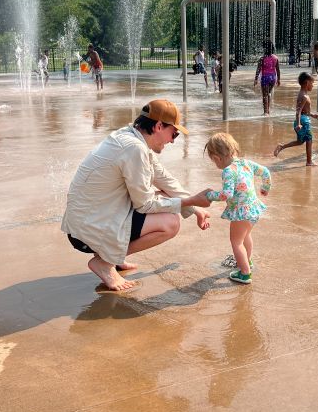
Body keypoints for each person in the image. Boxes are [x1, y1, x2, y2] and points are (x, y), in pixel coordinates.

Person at [62, 99, 212, 291]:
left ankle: (114, 256)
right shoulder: (135, 148)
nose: (173, 140)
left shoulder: (131, 137)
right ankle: (105, 262)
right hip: (87, 232)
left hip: (88, 221)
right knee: (171, 223)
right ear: (159, 126)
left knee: (164, 196)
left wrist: (195, 208)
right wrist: (191, 200)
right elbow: (145, 205)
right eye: (173, 133)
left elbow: (164, 178)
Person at [203, 132, 271, 285]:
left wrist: (210, 195)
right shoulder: (246, 163)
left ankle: (245, 273)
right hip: (253, 209)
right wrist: (265, 188)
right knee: (246, 237)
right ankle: (248, 262)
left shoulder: (228, 171)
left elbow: (226, 194)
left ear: (216, 158)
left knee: (236, 242)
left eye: (214, 162)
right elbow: (265, 172)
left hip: (240, 212)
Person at [273, 72, 318, 166]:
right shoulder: (304, 96)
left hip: (303, 119)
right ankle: (309, 162)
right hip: (303, 122)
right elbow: (298, 111)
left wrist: (312, 115)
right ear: (307, 83)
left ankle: (282, 147)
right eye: (312, 83)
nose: (313, 86)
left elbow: (304, 111)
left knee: (300, 141)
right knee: (309, 140)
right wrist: (298, 123)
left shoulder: (304, 94)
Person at [254, 39, 280, 115]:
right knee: (268, 93)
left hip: (265, 78)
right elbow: (278, 70)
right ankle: (268, 110)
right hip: (273, 78)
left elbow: (258, 70)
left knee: (265, 95)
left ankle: (265, 112)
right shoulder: (275, 58)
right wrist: (279, 79)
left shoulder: (262, 58)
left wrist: (255, 79)